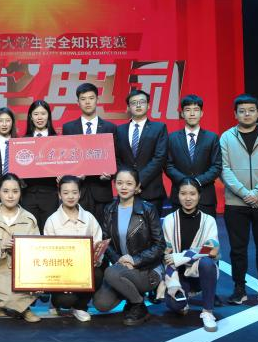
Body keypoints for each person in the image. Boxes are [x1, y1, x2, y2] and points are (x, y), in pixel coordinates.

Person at [219, 94, 258, 307]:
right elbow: (224, 168)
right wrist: (244, 192)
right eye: (242, 111)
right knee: (238, 249)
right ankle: (239, 289)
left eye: (251, 110)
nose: (247, 114)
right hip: (236, 203)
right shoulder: (226, 137)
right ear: (235, 114)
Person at [93, 167, 164, 326]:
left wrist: (134, 260)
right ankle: (133, 297)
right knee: (101, 303)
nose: (123, 187)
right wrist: (119, 260)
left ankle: (138, 303)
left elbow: (160, 246)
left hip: (147, 269)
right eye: (119, 183)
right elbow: (106, 241)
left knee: (110, 272)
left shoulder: (148, 209)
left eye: (129, 183)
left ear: (137, 187)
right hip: (121, 267)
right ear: (115, 185)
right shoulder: (109, 209)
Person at [0, 173, 42, 322]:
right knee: (10, 296)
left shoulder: (29, 219)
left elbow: (38, 251)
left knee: (35, 287)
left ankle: (5, 306)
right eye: (6, 191)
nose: (10, 196)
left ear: (20, 193)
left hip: (23, 271)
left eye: (15, 191)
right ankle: (21, 308)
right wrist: (0, 247)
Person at [162, 178, 220, 332]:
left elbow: (212, 250)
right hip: (179, 274)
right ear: (178, 195)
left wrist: (179, 257)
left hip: (200, 273)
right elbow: (167, 257)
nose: (188, 198)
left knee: (207, 263)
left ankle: (208, 311)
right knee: (176, 305)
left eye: (192, 194)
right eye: (183, 193)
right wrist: (173, 283)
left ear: (199, 195)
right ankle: (183, 297)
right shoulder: (169, 221)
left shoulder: (209, 221)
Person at [43, 175, 104, 322]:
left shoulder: (89, 218)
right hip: (61, 272)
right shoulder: (52, 221)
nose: (70, 196)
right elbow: (47, 252)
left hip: (84, 270)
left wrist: (96, 258)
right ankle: (55, 301)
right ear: (59, 195)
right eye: (66, 192)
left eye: (74, 192)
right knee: (65, 301)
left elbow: (98, 242)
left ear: (80, 194)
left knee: (97, 274)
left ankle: (81, 306)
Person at [61, 83, 118, 226]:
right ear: (78, 102)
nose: (87, 102)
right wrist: (73, 174)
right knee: (78, 231)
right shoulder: (68, 128)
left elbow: (116, 157)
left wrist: (111, 175)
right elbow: (65, 158)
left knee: (102, 231)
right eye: (83, 99)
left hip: (102, 190)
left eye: (91, 98)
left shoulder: (110, 127)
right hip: (77, 191)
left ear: (97, 100)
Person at [165, 94, 222, 217]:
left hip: (205, 198)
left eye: (196, 110)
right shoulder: (172, 138)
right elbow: (168, 165)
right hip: (179, 196)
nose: (192, 114)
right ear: (182, 114)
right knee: (179, 229)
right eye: (187, 110)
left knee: (207, 229)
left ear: (201, 113)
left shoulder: (212, 138)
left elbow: (217, 166)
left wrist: (197, 181)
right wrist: (185, 181)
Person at [115, 90, 169, 216]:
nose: (138, 105)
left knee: (152, 228)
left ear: (148, 105)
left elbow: (159, 158)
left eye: (142, 102)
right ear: (128, 107)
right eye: (134, 103)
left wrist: (139, 181)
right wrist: (127, 182)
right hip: (126, 192)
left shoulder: (159, 128)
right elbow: (116, 159)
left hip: (151, 191)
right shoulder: (119, 130)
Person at [20, 100, 60, 231]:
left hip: (50, 193)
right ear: (30, 117)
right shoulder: (22, 141)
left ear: (48, 116)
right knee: (29, 232)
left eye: (43, 113)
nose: (39, 117)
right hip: (28, 194)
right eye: (36, 114)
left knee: (48, 232)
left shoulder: (58, 140)